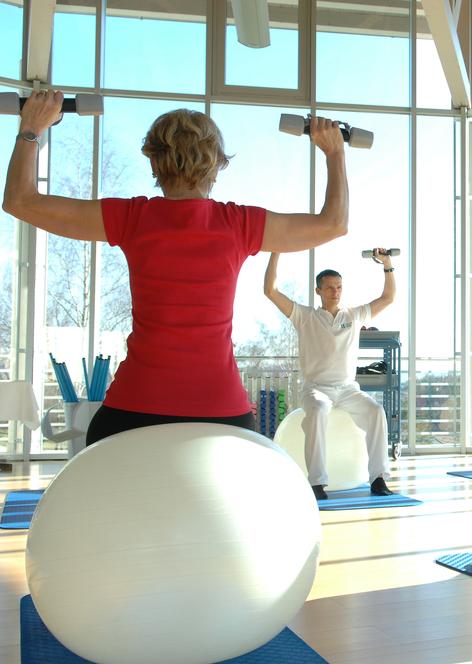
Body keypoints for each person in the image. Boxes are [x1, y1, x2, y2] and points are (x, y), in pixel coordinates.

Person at [2, 90, 350, 444]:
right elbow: (334, 223)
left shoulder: (132, 218)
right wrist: (335, 152)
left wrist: (31, 128)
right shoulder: (240, 224)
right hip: (221, 411)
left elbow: (20, 201)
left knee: (98, 475)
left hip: (133, 408)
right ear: (217, 165)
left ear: (153, 163)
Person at [264, 250, 396, 499]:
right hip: (316, 388)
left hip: (348, 389)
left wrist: (387, 266)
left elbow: (388, 297)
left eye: (339, 287)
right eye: (330, 288)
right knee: (318, 411)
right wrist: (276, 251)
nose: (335, 292)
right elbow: (270, 291)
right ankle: (316, 482)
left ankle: (378, 479)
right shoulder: (304, 316)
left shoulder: (354, 316)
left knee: (376, 412)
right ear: (318, 291)